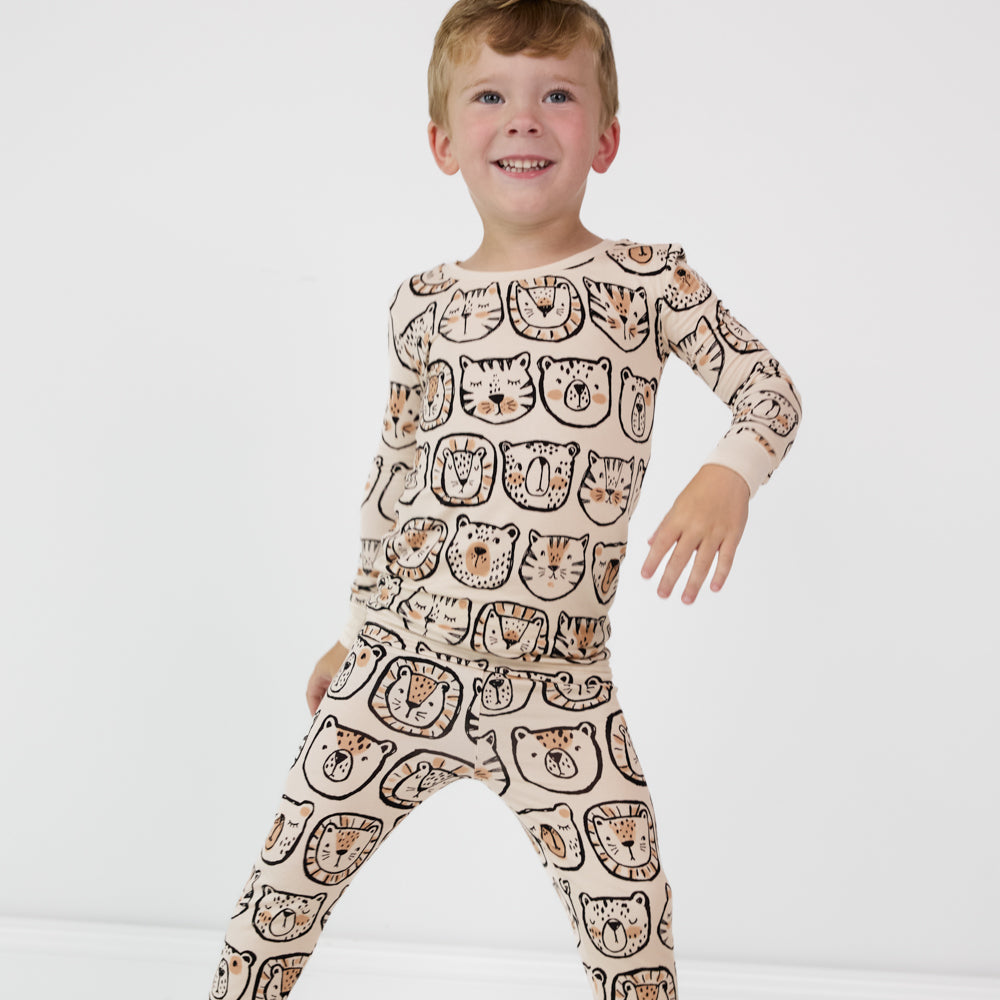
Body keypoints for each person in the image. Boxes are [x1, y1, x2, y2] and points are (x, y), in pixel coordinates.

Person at [208, 1, 802, 998]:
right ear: (444, 143)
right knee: (278, 897)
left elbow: (768, 393)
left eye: (557, 95)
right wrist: (355, 631)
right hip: (401, 665)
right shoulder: (421, 304)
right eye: (491, 95)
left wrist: (725, 474)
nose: (524, 118)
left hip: (561, 690)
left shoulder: (648, 282)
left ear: (604, 139)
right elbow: (395, 478)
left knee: (632, 927)